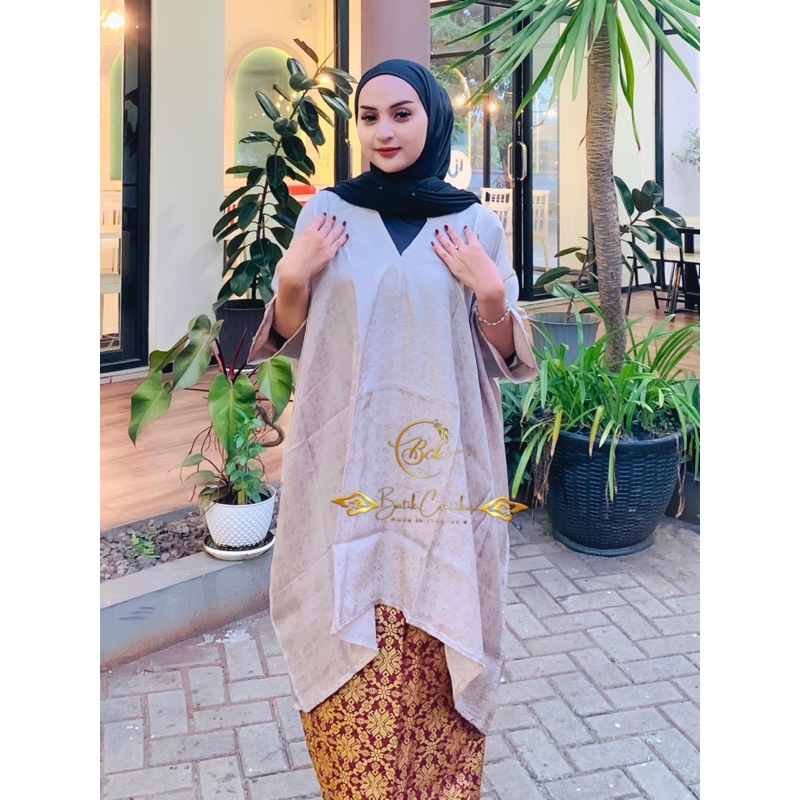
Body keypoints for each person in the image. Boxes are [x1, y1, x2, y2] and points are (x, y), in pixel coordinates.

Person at [248, 58, 539, 799]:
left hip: (440, 477)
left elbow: (504, 361)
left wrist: (493, 297)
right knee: (351, 646)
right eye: (369, 116)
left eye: (402, 114)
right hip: (347, 468)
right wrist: (291, 280)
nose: (383, 131)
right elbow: (295, 337)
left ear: (433, 119)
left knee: (438, 648)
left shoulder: (474, 224)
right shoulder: (328, 215)